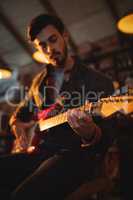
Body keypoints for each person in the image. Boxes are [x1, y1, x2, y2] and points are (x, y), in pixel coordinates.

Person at [9, 14, 116, 200]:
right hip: (39, 151)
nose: (49, 49)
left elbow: (107, 137)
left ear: (64, 36)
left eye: (53, 40)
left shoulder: (98, 81)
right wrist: (17, 126)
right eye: (42, 45)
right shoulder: (38, 82)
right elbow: (19, 114)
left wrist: (90, 133)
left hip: (73, 154)